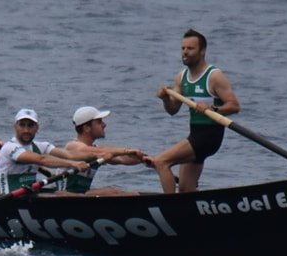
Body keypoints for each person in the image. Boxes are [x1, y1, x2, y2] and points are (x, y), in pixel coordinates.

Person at [152, 28, 239, 193]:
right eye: (183, 48)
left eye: (190, 48)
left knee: (161, 162)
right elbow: (172, 110)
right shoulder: (181, 78)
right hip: (194, 135)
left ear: (202, 51)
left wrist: (213, 109)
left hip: (209, 137)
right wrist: (164, 98)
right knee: (185, 190)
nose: (185, 52)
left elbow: (234, 106)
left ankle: (170, 209)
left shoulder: (214, 76)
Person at [53, 106, 152, 194]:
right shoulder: (73, 146)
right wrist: (127, 150)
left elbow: (122, 159)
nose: (104, 125)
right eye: (99, 122)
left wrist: (144, 159)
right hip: (65, 196)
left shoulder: (96, 150)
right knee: (112, 191)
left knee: (124, 193)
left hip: (80, 195)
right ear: (87, 128)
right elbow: (99, 151)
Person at [0, 108, 88, 193]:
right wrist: (73, 164)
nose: (26, 130)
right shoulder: (10, 147)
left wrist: (97, 155)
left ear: (37, 128)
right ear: (15, 127)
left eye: (30, 126)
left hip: (29, 195)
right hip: (8, 198)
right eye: (22, 125)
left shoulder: (40, 146)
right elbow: (41, 159)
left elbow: (68, 154)